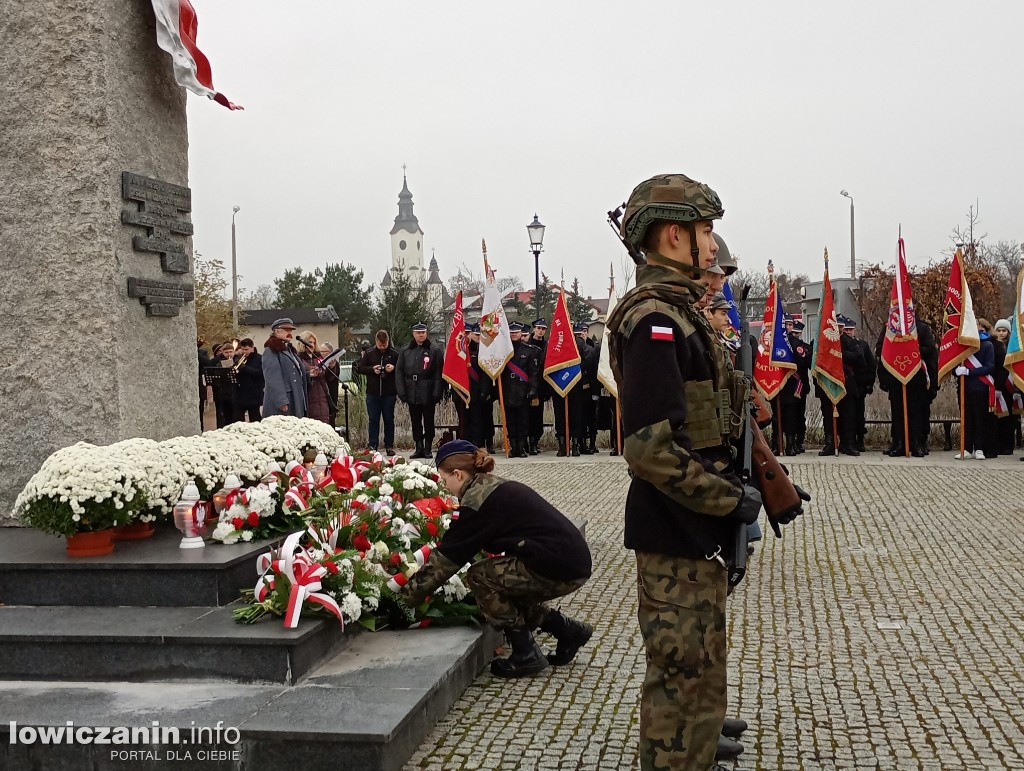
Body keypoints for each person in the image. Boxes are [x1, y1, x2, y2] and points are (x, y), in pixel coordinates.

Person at [606, 174, 766, 771]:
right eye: (705, 231)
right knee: (681, 676)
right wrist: (728, 499)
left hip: (694, 529)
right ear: (674, 235)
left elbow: (711, 424)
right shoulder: (653, 322)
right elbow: (649, 450)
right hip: (676, 527)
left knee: (700, 675)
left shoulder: (681, 315)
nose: (712, 243)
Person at [399, 440, 593, 677]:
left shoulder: (477, 501)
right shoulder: (489, 486)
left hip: (557, 565)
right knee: (504, 586)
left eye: (444, 479)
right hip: (570, 560)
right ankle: (568, 630)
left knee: (481, 577)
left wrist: (402, 602)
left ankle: (526, 654)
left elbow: (446, 560)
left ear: (458, 474)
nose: (444, 486)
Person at [396, 322, 444, 459]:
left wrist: (437, 392)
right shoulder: (405, 351)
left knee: (429, 421)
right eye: (418, 333)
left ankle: (428, 448)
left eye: (423, 332)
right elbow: (399, 373)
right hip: (412, 391)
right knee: (415, 421)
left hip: (428, 390)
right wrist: (402, 392)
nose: (421, 335)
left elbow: (438, 373)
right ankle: (419, 447)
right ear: (413, 334)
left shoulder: (434, 350)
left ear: (426, 333)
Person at [954, 320, 997, 460]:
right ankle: (966, 447)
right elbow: (954, 365)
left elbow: (989, 367)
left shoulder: (987, 345)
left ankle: (979, 448)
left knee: (980, 418)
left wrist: (969, 372)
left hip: (980, 387)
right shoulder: (963, 346)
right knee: (966, 418)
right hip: (964, 387)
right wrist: (957, 371)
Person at [501, 322, 541, 458]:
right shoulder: (504, 351)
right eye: (511, 333)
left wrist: (533, 390)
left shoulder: (529, 350)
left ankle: (522, 447)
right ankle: (513, 448)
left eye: (516, 333)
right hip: (508, 391)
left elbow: (533, 373)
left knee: (523, 422)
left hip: (523, 391)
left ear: (520, 334)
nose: (514, 335)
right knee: (510, 422)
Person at [356, 330, 399, 454]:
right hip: (373, 393)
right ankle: (372, 445)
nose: (382, 348)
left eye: (384, 345)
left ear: (388, 341)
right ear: (376, 342)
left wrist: (394, 368)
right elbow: (359, 368)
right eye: (380, 346)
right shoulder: (369, 353)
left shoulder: (395, 353)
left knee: (389, 419)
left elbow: (402, 369)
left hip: (389, 393)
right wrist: (372, 369)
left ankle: (389, 445)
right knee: (373, 420)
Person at [262, 318, 309, 418]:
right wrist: (281, 401)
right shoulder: (271, 350)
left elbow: (295, 373)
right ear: (276, 332)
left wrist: (310, 374)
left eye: (291, 330)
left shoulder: (289, 350)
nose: (290, 333)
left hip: (295, 397)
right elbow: (272, 378)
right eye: (286, 330)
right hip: (284, 400)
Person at [841, 318, 875, 452]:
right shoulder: (841, 343)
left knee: (858, 415)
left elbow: (871, 365)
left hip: (859, 386)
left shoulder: (862, 345)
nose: (849, 332)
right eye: (846, 330)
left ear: (855, 330)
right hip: (845, 385)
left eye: (851, 329)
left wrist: (869, 384)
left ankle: (859, 440)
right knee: (846, 416)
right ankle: (846, 442)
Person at [994, 319, 1020, 455]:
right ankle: (998, 444)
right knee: (997, 416)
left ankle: (1008, 445)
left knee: (1009, 417)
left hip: (1010, 386)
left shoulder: (1012, 347)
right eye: (999, 330)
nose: (1001, 333)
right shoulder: (994, 346)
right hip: (998, 385)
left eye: (1004, 331)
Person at [295, 331, 331, 424]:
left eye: (314, 342)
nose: (312, 345)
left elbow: (329, 378)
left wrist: (332, 367)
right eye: (310, 342)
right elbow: (296, 378)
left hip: (322, 395)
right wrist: (309, 374)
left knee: (324, 423)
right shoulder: (298, 358)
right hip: (308, 396)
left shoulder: (318, 357)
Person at [527, 319, 549, 454]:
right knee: (527, 417)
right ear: (533, 329)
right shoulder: (527, 345)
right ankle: (528, 443)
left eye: (543, 329)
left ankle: (535, 442)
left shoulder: (547, 346)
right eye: (538, 328)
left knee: (538, 417)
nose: (541, 331)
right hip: (528, 387)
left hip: (541, 387)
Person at [232, 338, 264, 423]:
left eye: (246, 349)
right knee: (238, 420)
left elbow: (259, 373)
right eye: (242, 349)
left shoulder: (259, 358)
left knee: (255, 419)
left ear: (252, 347)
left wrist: (244, 367)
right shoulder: (239, 358)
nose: (244, 352)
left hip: (254, 394)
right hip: (240, 394)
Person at [319, 342, 340, 427]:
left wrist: (331, 368)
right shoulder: (319, 362)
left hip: (331, 394)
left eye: (324, 351)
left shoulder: (335, 364)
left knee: (331, 419)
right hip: (321, 394)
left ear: (330, 352)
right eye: (321, 351)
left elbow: (331, 379)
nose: (322, 353)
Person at [198, 338, 213, 428]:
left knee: (200, 410)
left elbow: (207, 363)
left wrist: (195, 348)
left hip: (199, 385)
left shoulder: (202, 352)